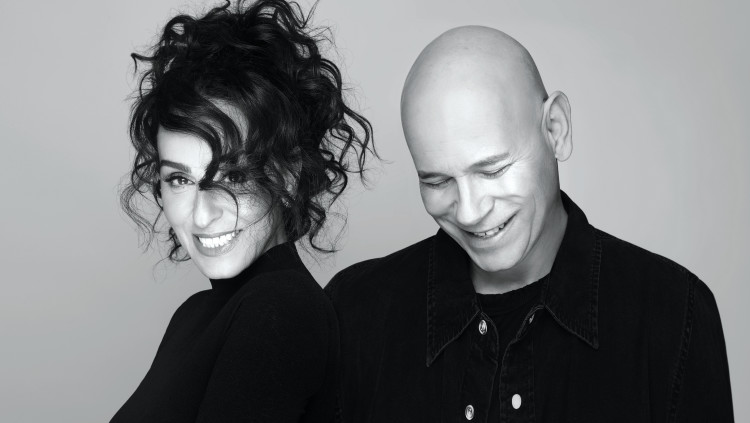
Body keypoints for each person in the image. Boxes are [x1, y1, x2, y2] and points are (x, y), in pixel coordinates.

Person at [325, 26, 733, 422]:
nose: (468, 212)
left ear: (556, 129)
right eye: (437, 181)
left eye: (492, 170)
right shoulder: (354, 312)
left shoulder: (673, 313)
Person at [112, 0, 373, 421]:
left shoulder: (280, 308)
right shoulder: (195, 317)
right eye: (179, 179)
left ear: (288, 175)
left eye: (233, 177)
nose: (202, 215)